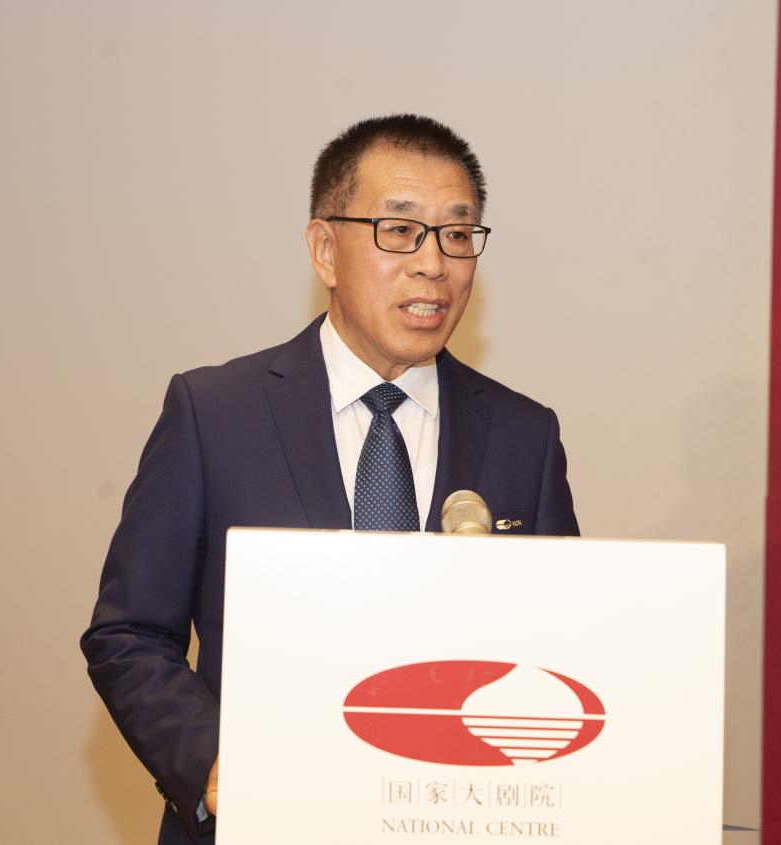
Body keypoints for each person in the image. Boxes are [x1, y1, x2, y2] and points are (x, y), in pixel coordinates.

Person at [80, 114, 579, 845]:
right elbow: (130, 631)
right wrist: (214, 762)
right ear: (324, 250)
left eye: (457, 234)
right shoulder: (215, 413)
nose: (434, 263)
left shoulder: (524, 435)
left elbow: (556, 650)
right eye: (400, 230)